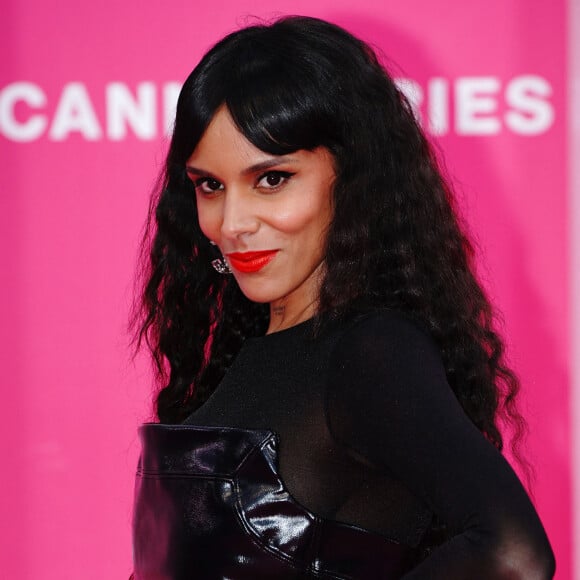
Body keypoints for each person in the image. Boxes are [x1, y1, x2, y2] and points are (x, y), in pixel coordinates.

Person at [131, 15, 555, 579]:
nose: (232, 223)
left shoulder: (369, 353)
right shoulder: (247, 355)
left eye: (271, 179)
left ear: (352, 177)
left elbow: (511, 552)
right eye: (211, 185)